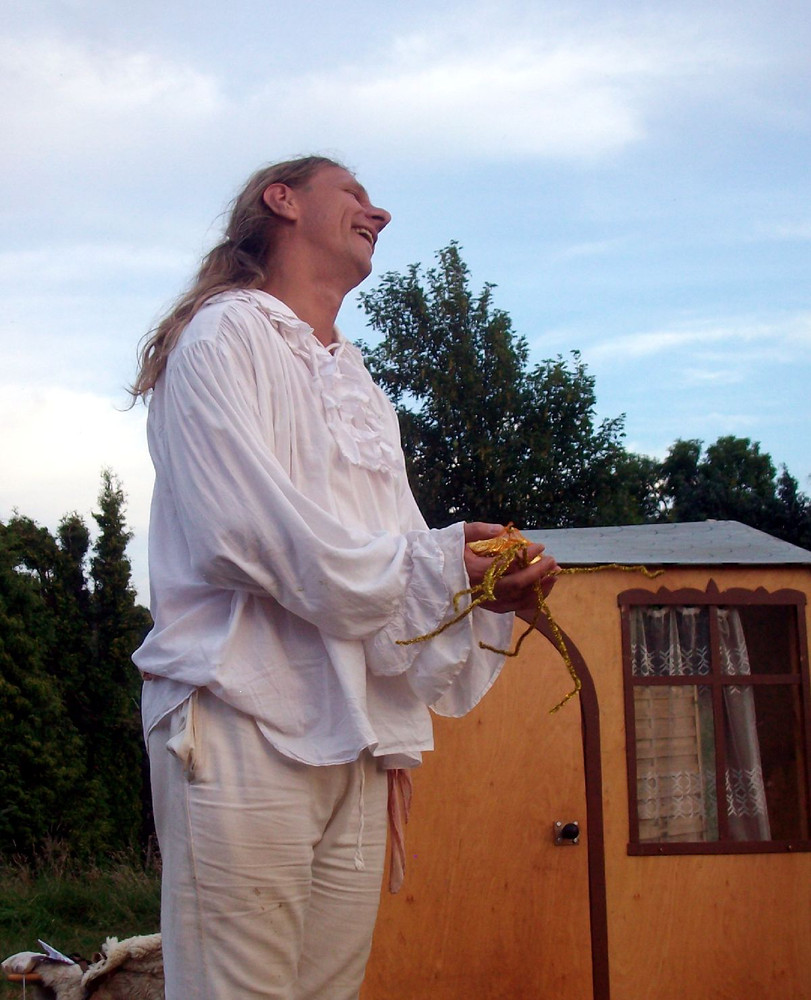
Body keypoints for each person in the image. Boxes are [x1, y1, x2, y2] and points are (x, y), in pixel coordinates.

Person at [131, 155, 558, 1000]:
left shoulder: (356, 377)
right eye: (354, 193)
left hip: (358, 724)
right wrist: (436, 565)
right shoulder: (223, 334)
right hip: (242, 709)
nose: (379, 212)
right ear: (281, 201)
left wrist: (475, 584)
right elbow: (241, 532)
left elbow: (391, 549)